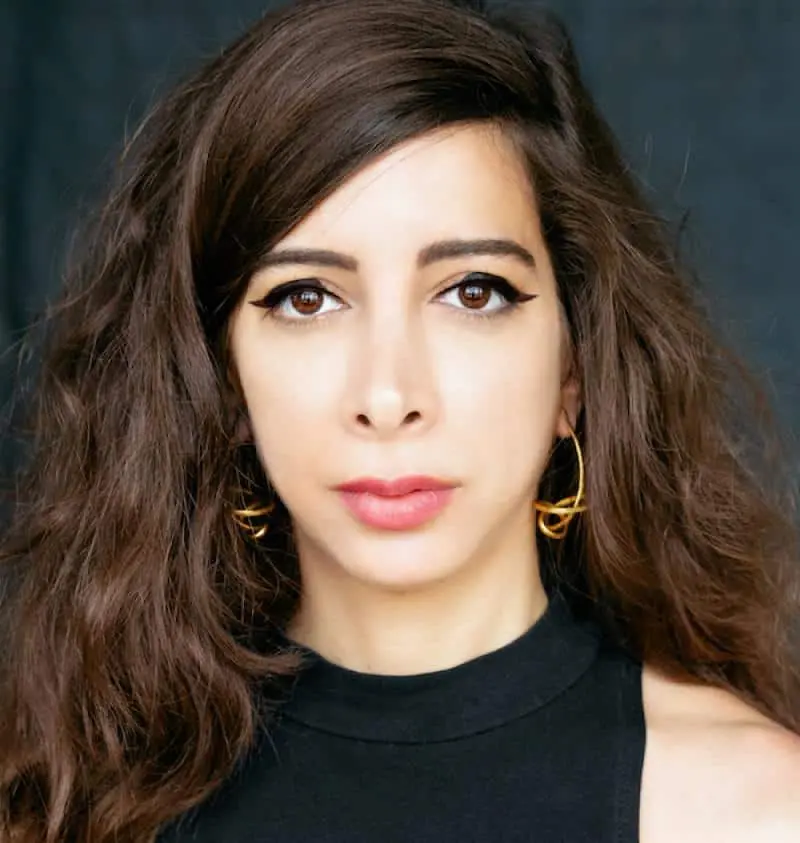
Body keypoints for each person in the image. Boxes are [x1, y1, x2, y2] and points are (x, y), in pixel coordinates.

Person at [1, 0, 799, 839]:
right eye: (306, 298)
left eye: (473, 291)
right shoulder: (73, 802)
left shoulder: (751, 811)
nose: (388, 395)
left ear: (574, 370)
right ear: (222, 379)